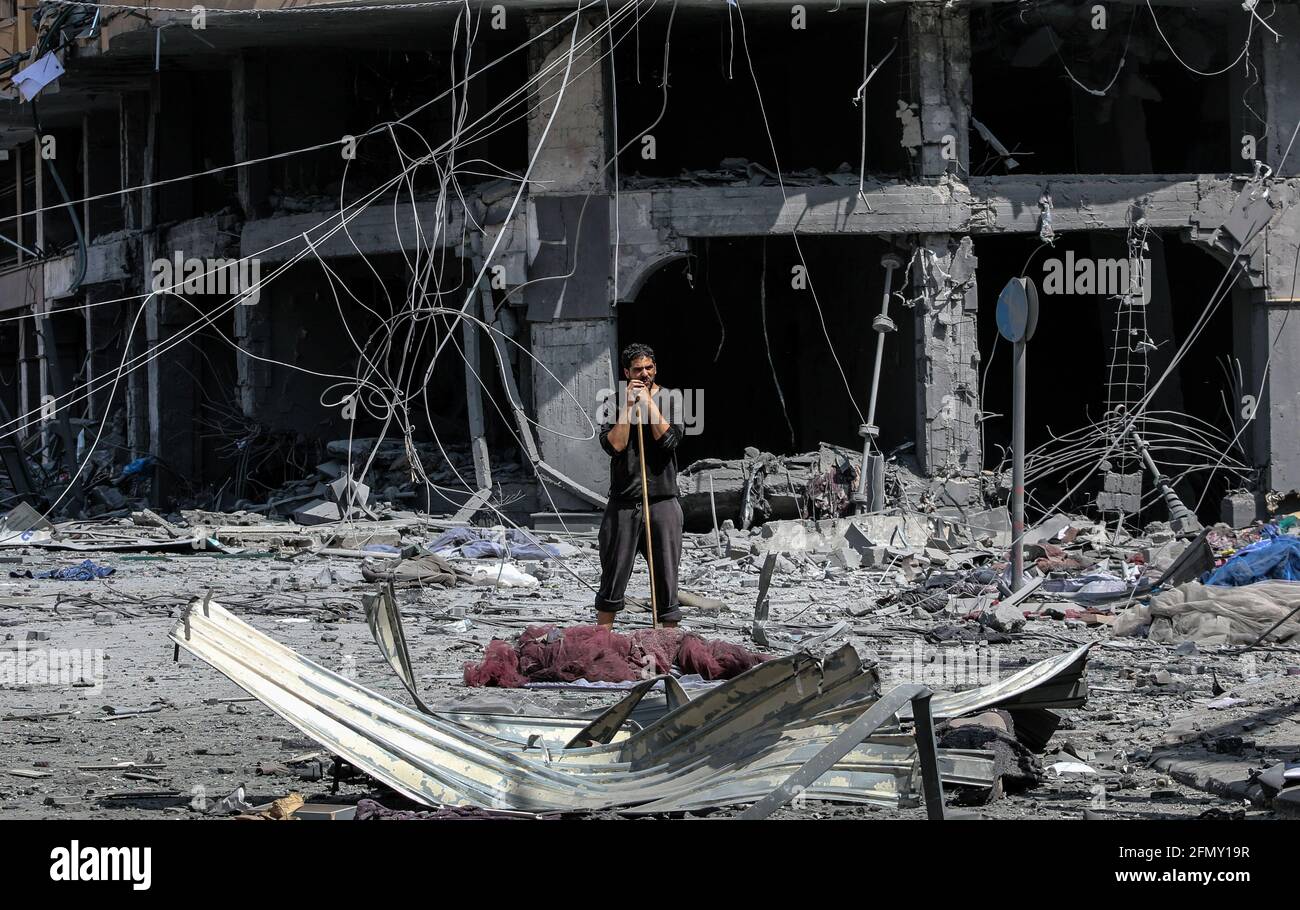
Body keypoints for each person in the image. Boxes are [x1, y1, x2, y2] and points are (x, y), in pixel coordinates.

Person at [594, 343, 685, 628]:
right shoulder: (612, 402)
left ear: (655, 368)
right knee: (612, 576)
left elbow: (668, 440)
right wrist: (631, 406)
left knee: (666, 579)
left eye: (649, 368)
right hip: (624, 501)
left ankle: (666, 643)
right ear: (626, 372)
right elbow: (616, 445)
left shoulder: (671, 399)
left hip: (662, 500)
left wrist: (648, 403)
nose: (644, 374)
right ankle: (602, 641)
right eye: (637, 369)